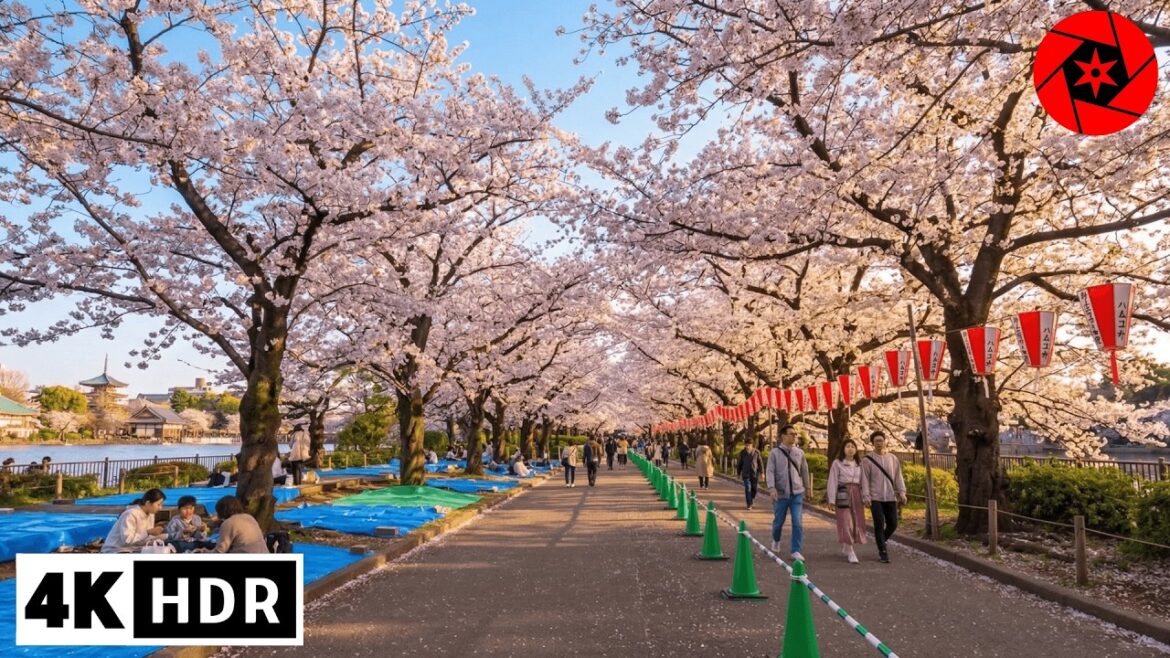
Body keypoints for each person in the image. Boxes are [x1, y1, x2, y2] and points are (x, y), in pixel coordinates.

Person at [766, 424, 811, 561]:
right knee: (778, 522)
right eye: (791, 434)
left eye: (795, 434)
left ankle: (795, 550)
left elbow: (804, 470)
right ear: (783, 436)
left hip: (797, 493)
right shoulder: (774, 453)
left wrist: (808, 489)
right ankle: (776, 539)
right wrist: (772, 488)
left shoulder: (799, 452)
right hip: (780, 494)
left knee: (797, 522)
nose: (794, 436)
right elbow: (770, 471)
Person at [862, 431, 907, 564]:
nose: (879, 443)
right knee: (879, 523)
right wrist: (866, 496)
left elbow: (898, 476)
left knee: (893, 524)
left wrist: (902, 492)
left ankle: (881, 541)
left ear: (885, 441)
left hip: (890, 497)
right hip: (875, 497)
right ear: (872, 443)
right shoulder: (867, 460)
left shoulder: (893, 458)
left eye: (881, 440)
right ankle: (883, 551)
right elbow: (864, 479)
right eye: (876, 441)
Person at [827, 439, 866, 563]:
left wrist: (866, 496)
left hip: (857, 493)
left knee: (856, 521)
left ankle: (847, 544)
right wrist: (831, 499)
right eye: (848, 446)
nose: (850, 449)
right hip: (843, 493)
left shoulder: (860, 464)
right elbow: (832, 480)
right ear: (843, 449)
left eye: (853, 446)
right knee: (845, 521)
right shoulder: (837, 463)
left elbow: (864, 482)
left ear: (856, 450)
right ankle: (850, 550)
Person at [101, 488, 167, 553]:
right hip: (117, 550)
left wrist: (159, 537)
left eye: (162, 505)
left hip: (135, 549)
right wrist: (148, 532)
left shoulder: (151, 515)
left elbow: (144, 539)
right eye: (158, 504)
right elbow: (128, 540)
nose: (160, 508)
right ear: (148, 503)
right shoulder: (130, 514)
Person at [737, 440, 764, 509]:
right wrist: (738, 473)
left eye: (749, 445)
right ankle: (749, 504)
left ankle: (751, 499)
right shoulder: (742, 453)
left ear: (752, 445)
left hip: (754, 474)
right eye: (746, 445)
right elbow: (740, 463)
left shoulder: (756, 452)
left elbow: (760, 463)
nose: (747, 447)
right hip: (746, 474)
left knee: (754, 489)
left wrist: (762, 472)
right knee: (748, 488)